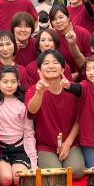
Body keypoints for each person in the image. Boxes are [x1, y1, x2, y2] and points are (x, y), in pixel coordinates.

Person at [25, 50, 84, 179]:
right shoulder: (34, 90)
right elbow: (32, 110)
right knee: (55, 174)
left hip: (70, 142)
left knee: (76, 171)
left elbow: (79, 119)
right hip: (45, 145)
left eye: (55, 62)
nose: (51, 66)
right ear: (39, 70)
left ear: (62, 68)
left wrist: (68, 143)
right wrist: (39, 93)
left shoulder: (72, 88)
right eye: (46, 63)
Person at [48, 4, 91, 76]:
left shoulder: (83, 33)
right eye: (54, 19)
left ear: (68, 18)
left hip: (86, 74)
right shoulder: (52, 37)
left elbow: (90, 58)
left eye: (61, 17)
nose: (58, 21)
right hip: (62, 77)